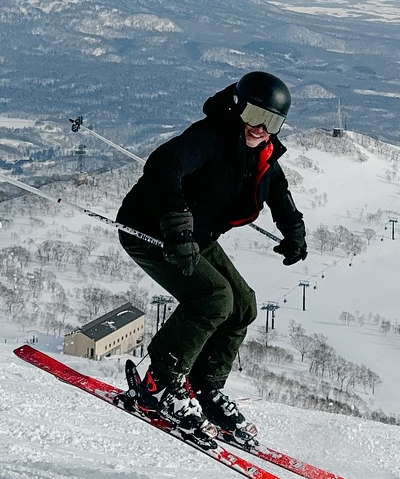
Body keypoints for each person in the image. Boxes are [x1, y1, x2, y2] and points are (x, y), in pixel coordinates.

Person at [116, 72, 307, 441]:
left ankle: (205, 388)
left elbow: (277, 188)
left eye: (272, 121)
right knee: (213, 298)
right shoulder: (210, 137)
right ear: (237, 106)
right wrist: (175, 223)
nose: (261, 128)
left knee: (242, 306)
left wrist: (293, 230)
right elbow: (163, 164)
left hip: (195, 237)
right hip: (152, 231)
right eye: (255, 115)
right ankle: (158, 384)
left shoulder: (259, 152)